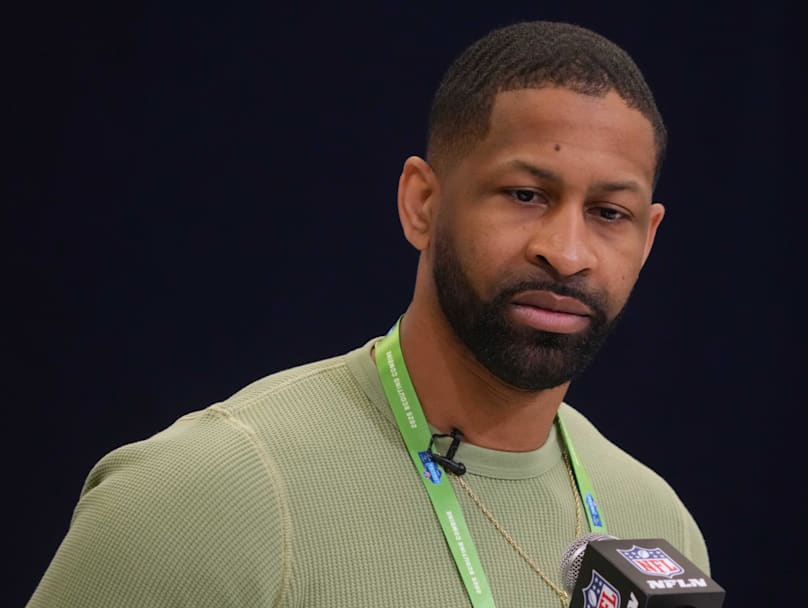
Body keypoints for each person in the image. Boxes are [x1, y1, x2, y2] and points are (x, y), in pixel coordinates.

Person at [28, 20, 709, 607]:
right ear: (422, 203)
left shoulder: (656, 524)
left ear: (646, 239)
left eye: (608, 213)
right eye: (526, 194)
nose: (566, 253)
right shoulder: (205, 492)